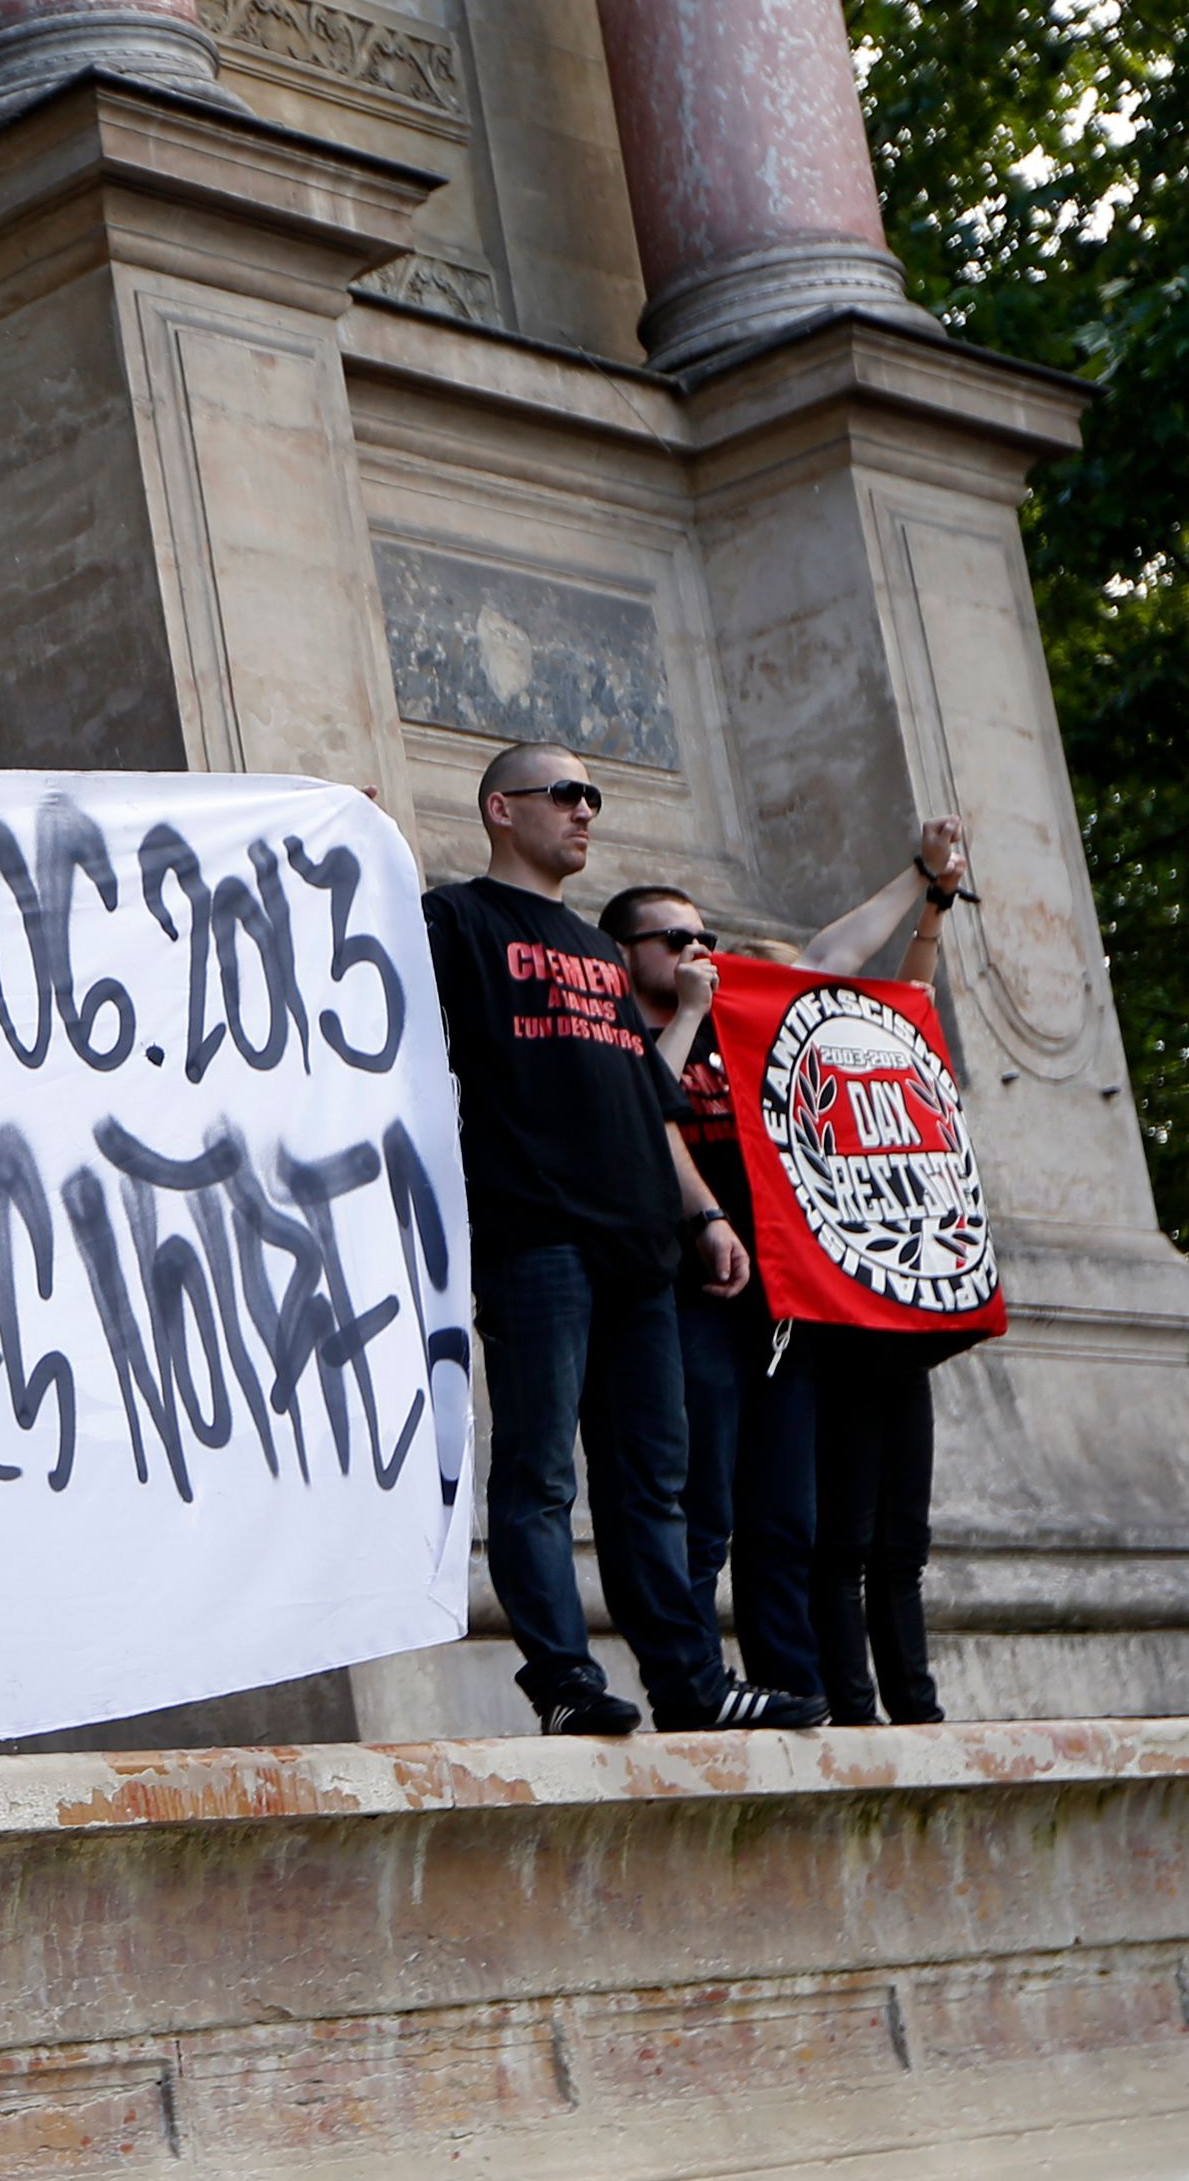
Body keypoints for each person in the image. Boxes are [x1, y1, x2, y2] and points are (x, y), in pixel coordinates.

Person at [422, 742, 828, 1735]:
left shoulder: (604, 956)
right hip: (535, 1236)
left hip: (642, 1248)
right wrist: (347, 841)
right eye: (562, 793)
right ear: (499, 809)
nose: (584, 808)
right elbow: (347, 950)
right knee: (538, 1473)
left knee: (654, 1481)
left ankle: (689, 1684)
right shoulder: (457, 918)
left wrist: (701, 1214)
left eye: (590, 794)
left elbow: (649, 1103)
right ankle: (562, 1679)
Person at [600, 819, 966, 1709]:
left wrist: (918, 876)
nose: (699, 952)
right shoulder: (627, 1034)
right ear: (624, 954)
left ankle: (790, 1689)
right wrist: (687, 1010)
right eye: (676, 939)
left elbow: (833, 954)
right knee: (701, 1516)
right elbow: (645, 1106)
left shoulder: (749, 1029)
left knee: (786, 1520)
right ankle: (691, 1690)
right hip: (687, 1300)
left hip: (781, 1309)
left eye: (706, 939)